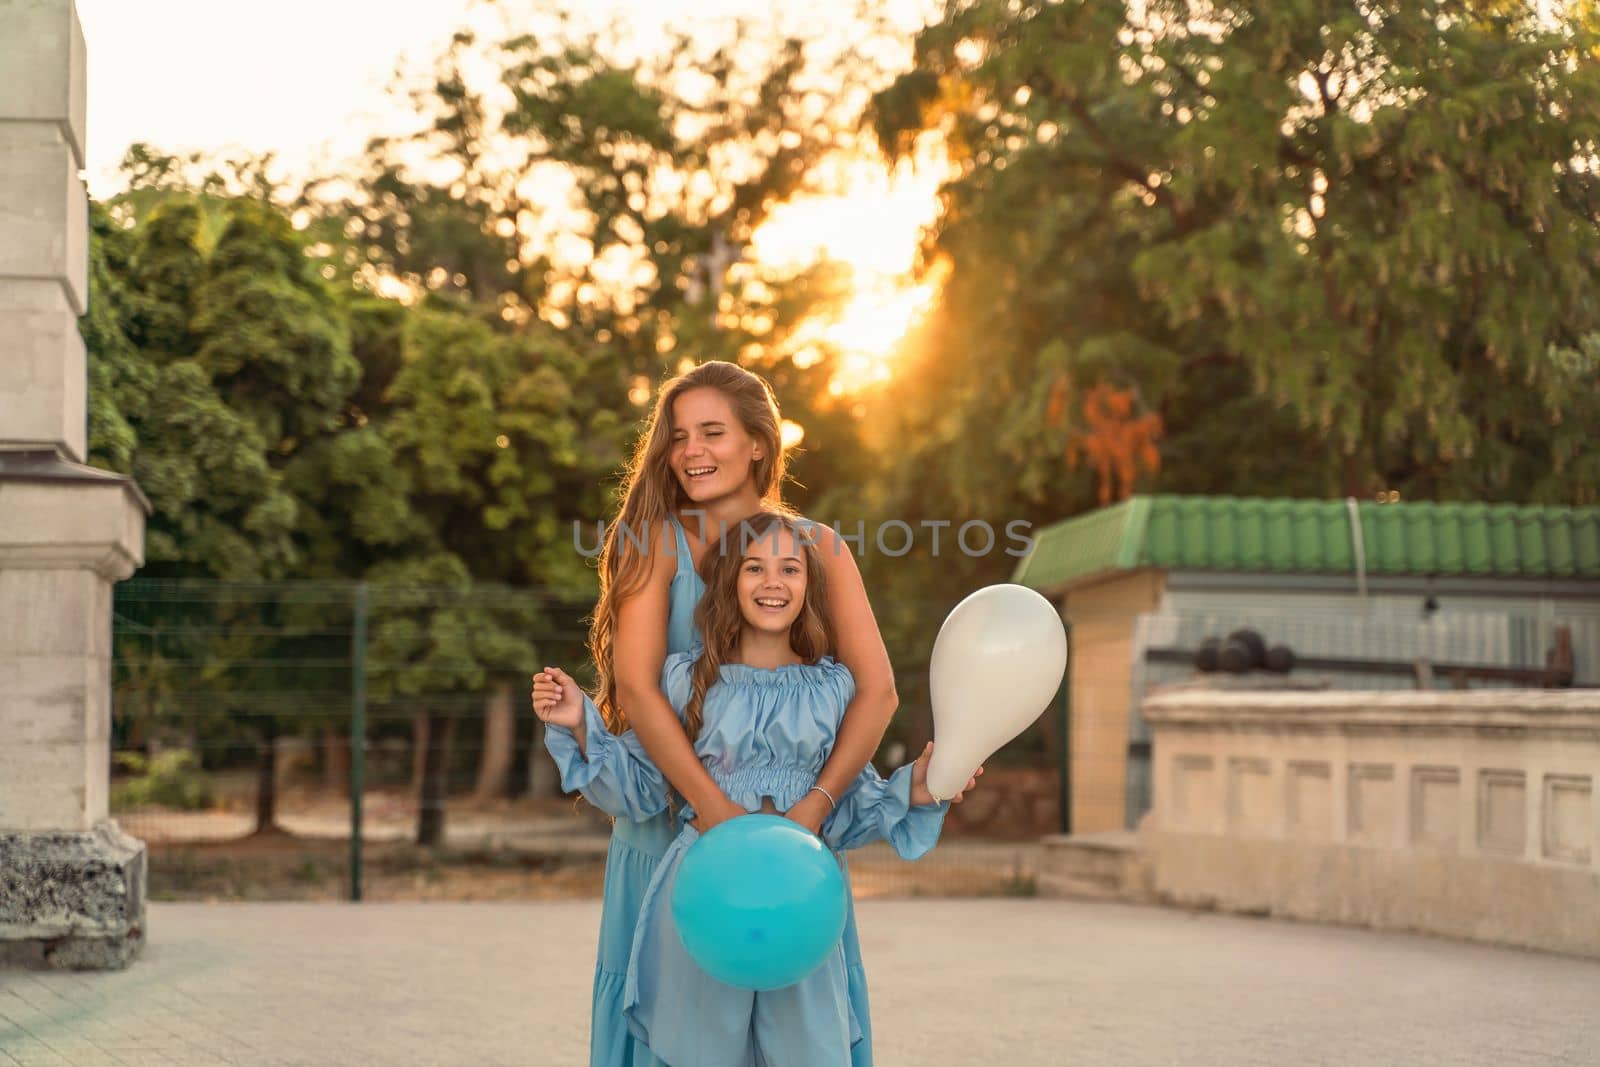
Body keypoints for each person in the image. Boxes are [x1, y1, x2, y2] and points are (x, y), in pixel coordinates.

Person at [535, 360, 903, 1065]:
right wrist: (716, 817)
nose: (691, 451)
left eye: (712, 432)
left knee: (797, 1025)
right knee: (678, 1032)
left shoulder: (817, 549)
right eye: (678, 436)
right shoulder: (652, 539)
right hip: (670, 832)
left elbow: (876, 691)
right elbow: (638, 691)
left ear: (758, 443)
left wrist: (814, 812)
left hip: (791, 836)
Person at [536, 512, 978, 1065]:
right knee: (701, 1049)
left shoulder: (833, 689)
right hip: (705, 899)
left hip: (802, 903)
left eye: (790, 568)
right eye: (755, 568)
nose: (773, 582)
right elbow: (643, 787)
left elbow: (850, 805)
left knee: (804, 1049)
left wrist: (918, 786)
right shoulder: (686, 679)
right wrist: (580, 724)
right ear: (728, 583)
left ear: (809, 587)